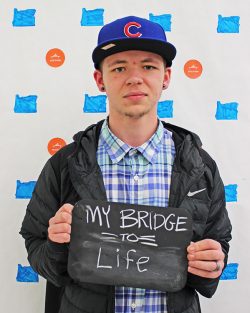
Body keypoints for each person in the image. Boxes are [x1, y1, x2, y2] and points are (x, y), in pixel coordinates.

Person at [20, 16, 232, 313]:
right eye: (119, 68)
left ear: (166, 77)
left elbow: (217, 244)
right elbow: (36, 247)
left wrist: (212, 262)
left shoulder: (200, 166)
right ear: (100, 80)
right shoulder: (65, 164)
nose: (135, 78)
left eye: (148, 66)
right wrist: (56, 245)